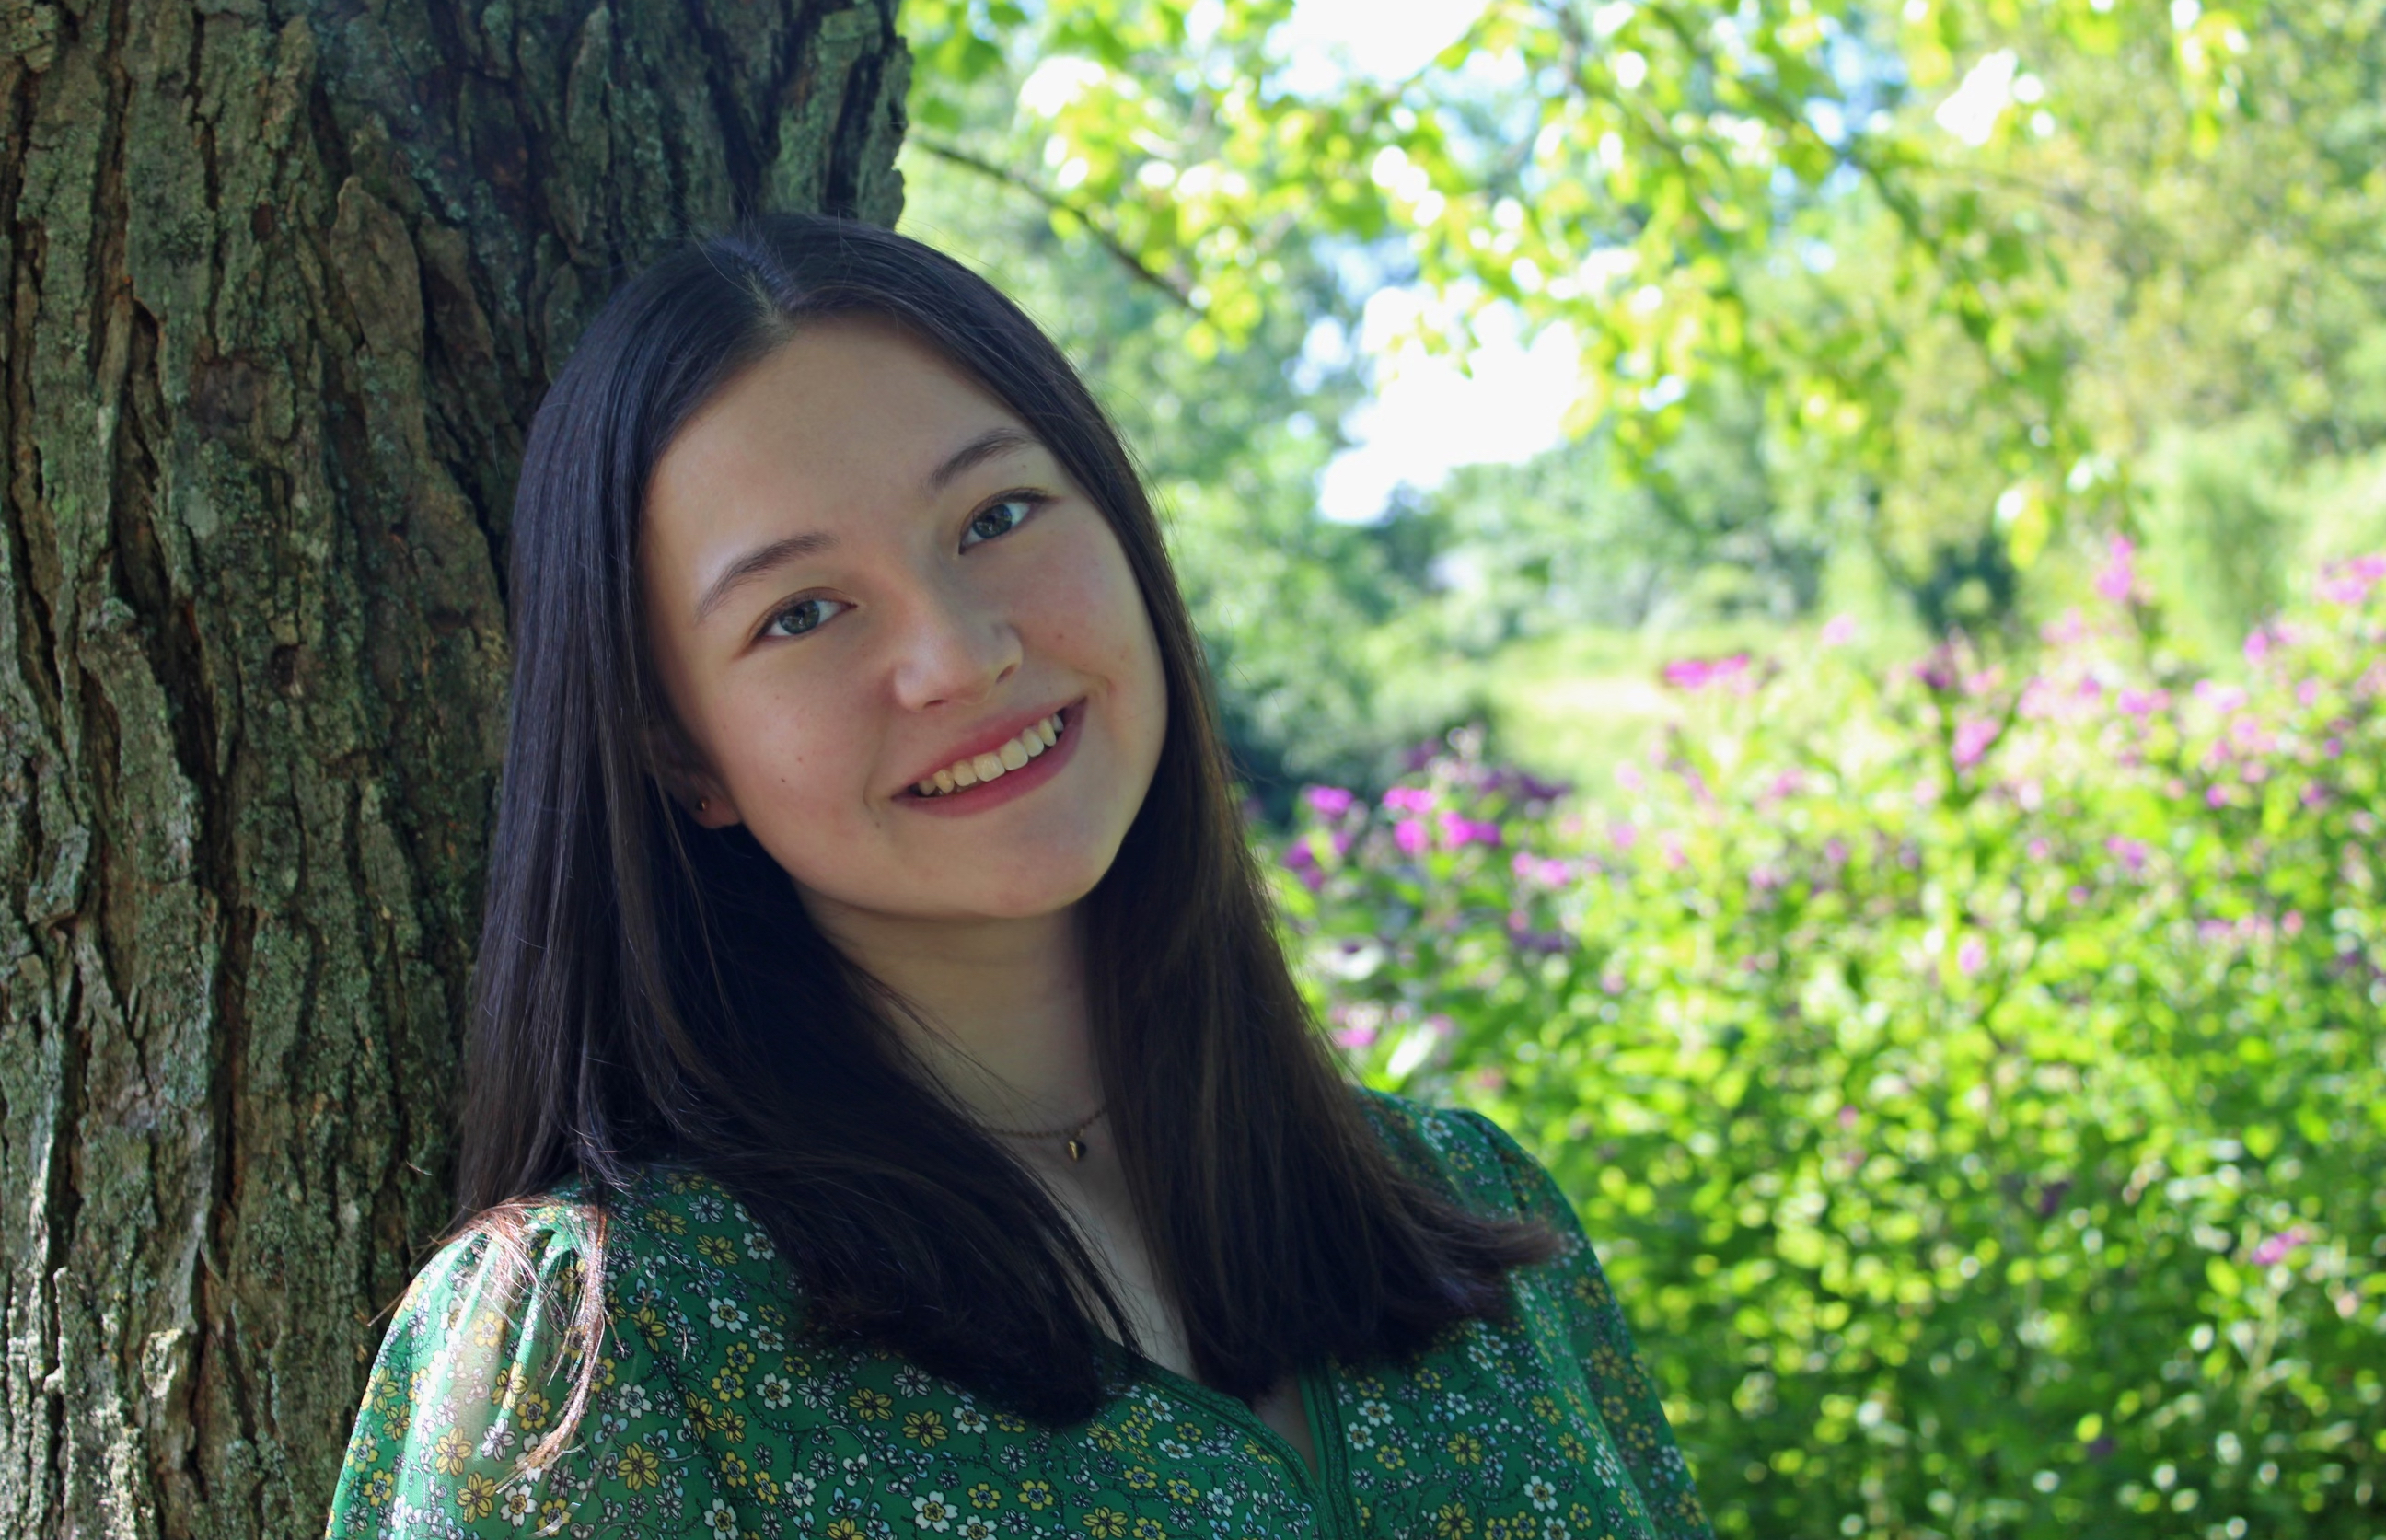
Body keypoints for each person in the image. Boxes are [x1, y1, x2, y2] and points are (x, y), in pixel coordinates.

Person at [322, 214, 1711, 1540]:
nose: (961, 654)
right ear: (681, 752)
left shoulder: (1475, 1218)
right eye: (800, 612)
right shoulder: (606, 1362)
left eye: (995, 516)